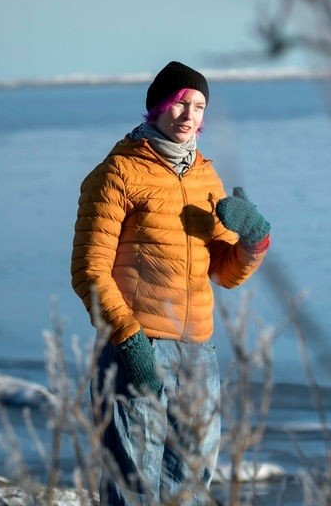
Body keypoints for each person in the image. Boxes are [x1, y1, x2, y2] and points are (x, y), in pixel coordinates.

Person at [70, 60, 271, 505]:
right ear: (157, 108)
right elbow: (89, 271)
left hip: (199, 354)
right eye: (180, 104)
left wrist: (254, 243)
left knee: (191, 486)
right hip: (136, 346)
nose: (189, 116)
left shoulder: (206, 177)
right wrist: (129, 342)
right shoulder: (118, 173)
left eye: (199, 106)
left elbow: (223, 271)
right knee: (132, 486)